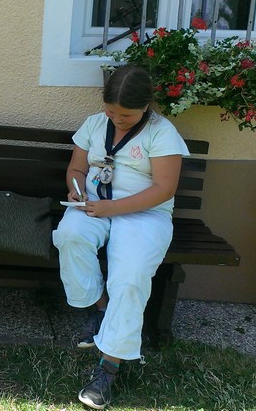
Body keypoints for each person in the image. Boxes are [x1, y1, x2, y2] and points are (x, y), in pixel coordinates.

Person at [52, 65, 188, 409]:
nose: (117, 120)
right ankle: (100, 307)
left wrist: (112, 208)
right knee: (69, 235)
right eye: (111, 112)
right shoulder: (95, 123)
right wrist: (76, 189)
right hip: (94, 205)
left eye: (126, 115)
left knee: (130, 276)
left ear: (146, 106)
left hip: (144, 214)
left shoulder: (162, 133)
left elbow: (164, 189)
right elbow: (77, 168)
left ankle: (108, 367)